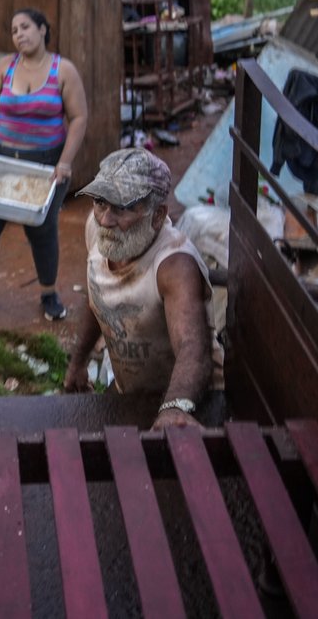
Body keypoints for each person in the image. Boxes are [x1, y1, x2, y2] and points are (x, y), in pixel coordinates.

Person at [63, 148, 221, 430]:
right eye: (100, 202)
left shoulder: (174, 264)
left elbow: (192, 348)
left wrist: (175, 407)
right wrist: (78, 363)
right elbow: (96, 294)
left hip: (188, 399)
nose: (106, 220)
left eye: (123, 208)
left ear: (158, 215)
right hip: (133, 394)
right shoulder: (98, 229)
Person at [0, 8, 88, 322]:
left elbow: (79, 118)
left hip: (46, 164)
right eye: (14, 30)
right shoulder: (5, 67)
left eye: (26, 27)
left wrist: (65, 163)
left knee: (41, 228)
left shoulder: (63, 70)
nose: (19, 34)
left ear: (43, 29)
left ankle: (48, 293)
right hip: (2, 159)